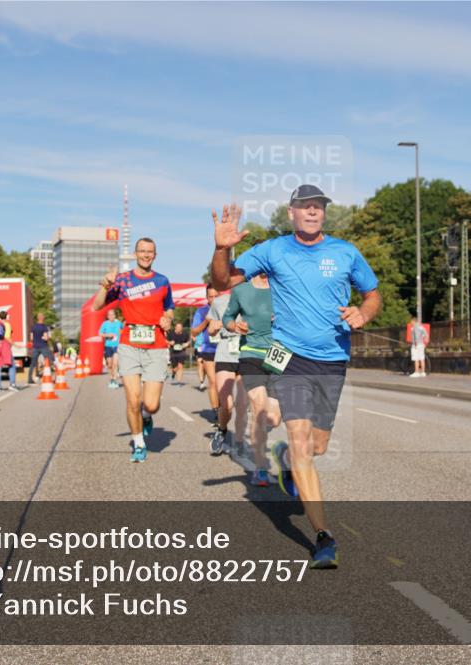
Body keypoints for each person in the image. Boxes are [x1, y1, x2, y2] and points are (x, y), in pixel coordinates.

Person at [210, 184, 381, 569]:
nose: (312, 212)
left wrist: (364, 314)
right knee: (302, 441)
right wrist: (222, 249)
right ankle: (323, 536)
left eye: (318, 207)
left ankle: (285, 458)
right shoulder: (273, 250)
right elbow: (223, 282)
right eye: (305, 206)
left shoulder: (344, 252)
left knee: (317, 447)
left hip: (333, 359)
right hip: (289, 356)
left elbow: (372, 293)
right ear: (291, 213)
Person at [91, 237, 174, 463]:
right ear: (135, 254)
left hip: (155, 345)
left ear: (155, 255)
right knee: (132, 400)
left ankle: (146, 417)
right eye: (142, 251)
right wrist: (105, 284)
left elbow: (169, 309)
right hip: (129, 344)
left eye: (150, 252)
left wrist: (167, 319)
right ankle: (138, 443)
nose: (146, 255)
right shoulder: (122, 281)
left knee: (151, 404)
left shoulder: (162, 281)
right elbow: (97, 305)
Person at [223, 271, 281, 486]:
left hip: (279, 354)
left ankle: (260, 437)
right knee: (259, 407)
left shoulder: (284, 286)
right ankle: (261, 467)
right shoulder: (241, 290)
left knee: (273, 419)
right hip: (251, 353)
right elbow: (228, 317)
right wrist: (234, 326)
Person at [207, 287, 247, 456]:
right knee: (227, 404)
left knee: (243, 403)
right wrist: (214, 326)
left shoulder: (254, 297)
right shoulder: (219, 301)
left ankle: (239, 440)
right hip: (225, 353)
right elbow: (210, 329)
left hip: (247, 353)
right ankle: (222, 430)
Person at [190, 288, 220, 424]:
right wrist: (206, 322)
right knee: (213, 382)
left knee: (224, 384)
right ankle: (216, 412)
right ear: (206, 297)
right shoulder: (201, 311)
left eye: (216, 296)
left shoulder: (227, 308)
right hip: (209, 349)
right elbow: (194, 331)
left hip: (226, 350)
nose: (213, 299)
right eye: (210, 297)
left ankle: (225, 407)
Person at [99, 308, 123, 388]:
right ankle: (111, 379)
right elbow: (100, 333)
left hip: (116, 346)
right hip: (108, 346)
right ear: (107, 316)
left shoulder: (118, 323)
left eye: (112, 314)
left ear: (115, 315)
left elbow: (124, 327)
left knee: (115, 364)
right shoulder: (105, 323)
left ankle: (115, 380)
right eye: (109, 315)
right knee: (109, 364)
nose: (111, 316)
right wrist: (107, 335)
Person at [28, 312, 55, 384]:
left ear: (37, 318)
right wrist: (48, 337)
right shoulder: (44, 327)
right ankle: (49, 377)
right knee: (48, 361)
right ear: (42, 318)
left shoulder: (33, 327)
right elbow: (46, 338)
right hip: (43, 346)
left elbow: (31, 338)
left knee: (33, 363)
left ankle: (30, 379)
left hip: (35, 347)